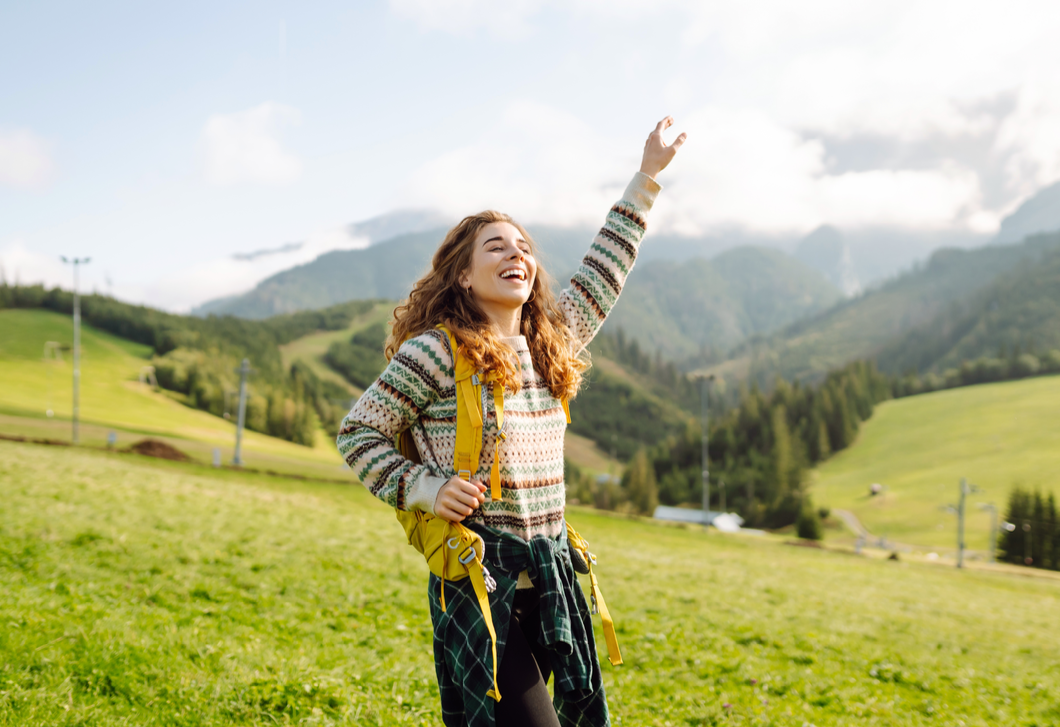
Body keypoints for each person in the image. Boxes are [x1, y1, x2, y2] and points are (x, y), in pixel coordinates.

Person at [337, 117, 686, 727]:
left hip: (548, 580)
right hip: (478, 579)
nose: (516, 254)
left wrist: (646, 178)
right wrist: (427, 487)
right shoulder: (437, 351)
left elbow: (606, 268)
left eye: (524, 247)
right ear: (463, 276)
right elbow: (358, 433)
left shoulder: (553, 341)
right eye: (495, 246)